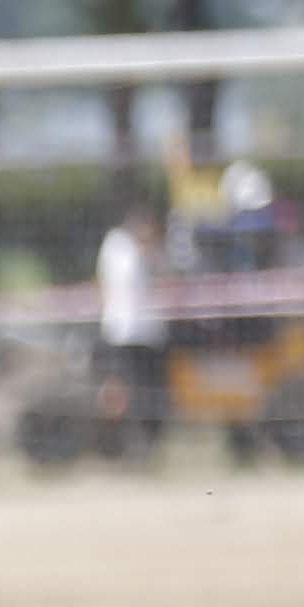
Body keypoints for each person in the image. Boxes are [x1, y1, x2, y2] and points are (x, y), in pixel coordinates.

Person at [93, 193, 170, 451]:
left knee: (153, 395)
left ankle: (148, 445)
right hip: (122, 333)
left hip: (150, 334)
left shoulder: (155, 249)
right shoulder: (118, 246)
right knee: (123, 394)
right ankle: (118, 446)